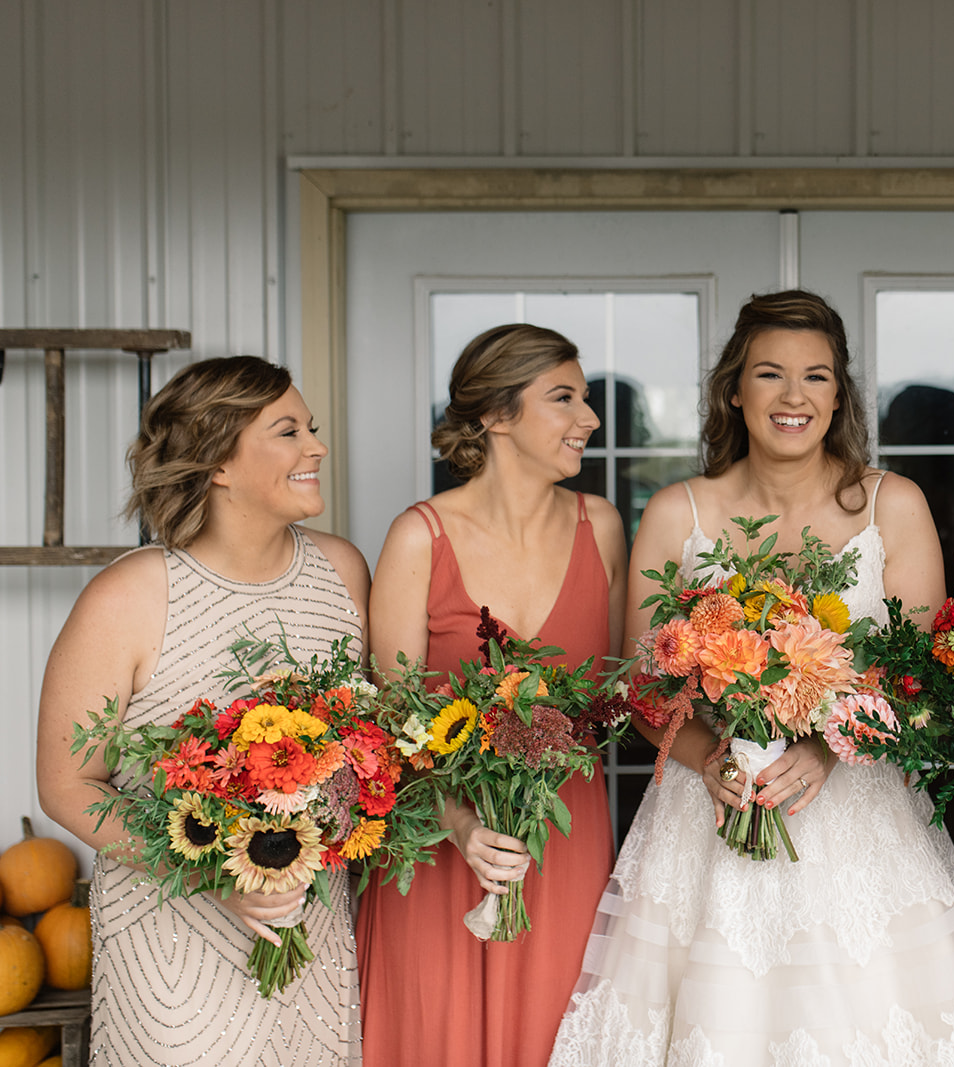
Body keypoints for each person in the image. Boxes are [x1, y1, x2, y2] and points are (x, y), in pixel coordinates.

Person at [550, 290, 954, 1066]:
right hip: (708, 819)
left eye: (817, 376)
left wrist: (831, 749)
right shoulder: (677, 512)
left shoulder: (891, 505)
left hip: (857, 816)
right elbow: (645, 684)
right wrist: (708, 757)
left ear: (840, 396)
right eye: (770, 374)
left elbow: (917, 679)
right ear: (735, 388)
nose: (794, 396)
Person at [36, 356, 370, 1065]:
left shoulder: (343, 572)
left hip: (311, 928)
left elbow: (364, 748)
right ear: (218, 461)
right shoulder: (128, 596)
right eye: (289, 431)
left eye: (310, 427)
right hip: (172, 944)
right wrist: (219, 876)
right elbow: (68, 784)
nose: (317, 446)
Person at [354, 324, 628, 1066]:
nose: (590, 419)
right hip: (442, 851)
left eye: (587, 398)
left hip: (561, 839)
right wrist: (464, 824)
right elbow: (392, 727)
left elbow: (612, 698)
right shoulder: (419, 537)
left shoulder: (600, 527)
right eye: (564, 398)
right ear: (495, 415)